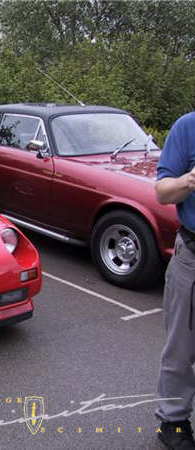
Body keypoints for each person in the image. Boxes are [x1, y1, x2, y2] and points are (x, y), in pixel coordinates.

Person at [155, 110, 195, 450]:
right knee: (182, 347)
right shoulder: (187, 127)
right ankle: (174, 422)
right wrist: (189, 180)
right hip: (193, 257)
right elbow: (163, 192)